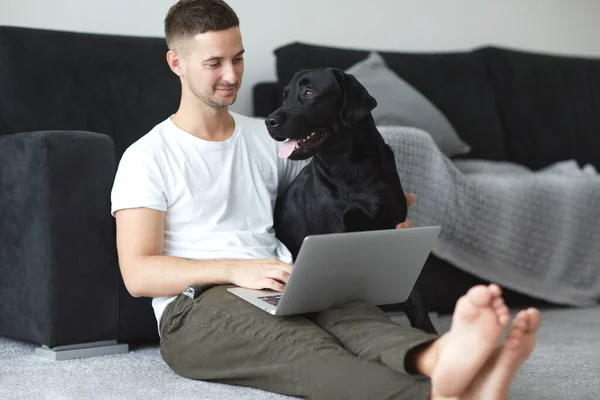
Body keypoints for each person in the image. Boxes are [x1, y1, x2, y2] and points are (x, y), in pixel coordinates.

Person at [110, 1, 542, 399]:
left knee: (358, 318)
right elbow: (138, 272)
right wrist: (237, 268)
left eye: (237, 57)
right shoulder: (147, 156)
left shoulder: (266, 139)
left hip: (285, 284)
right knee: (303, 344)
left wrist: (388, 217)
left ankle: (441, 359)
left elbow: (337, 187)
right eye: (214, 63)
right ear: (177, 63)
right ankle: (440, 394)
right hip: (197, 305)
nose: (231, 75)